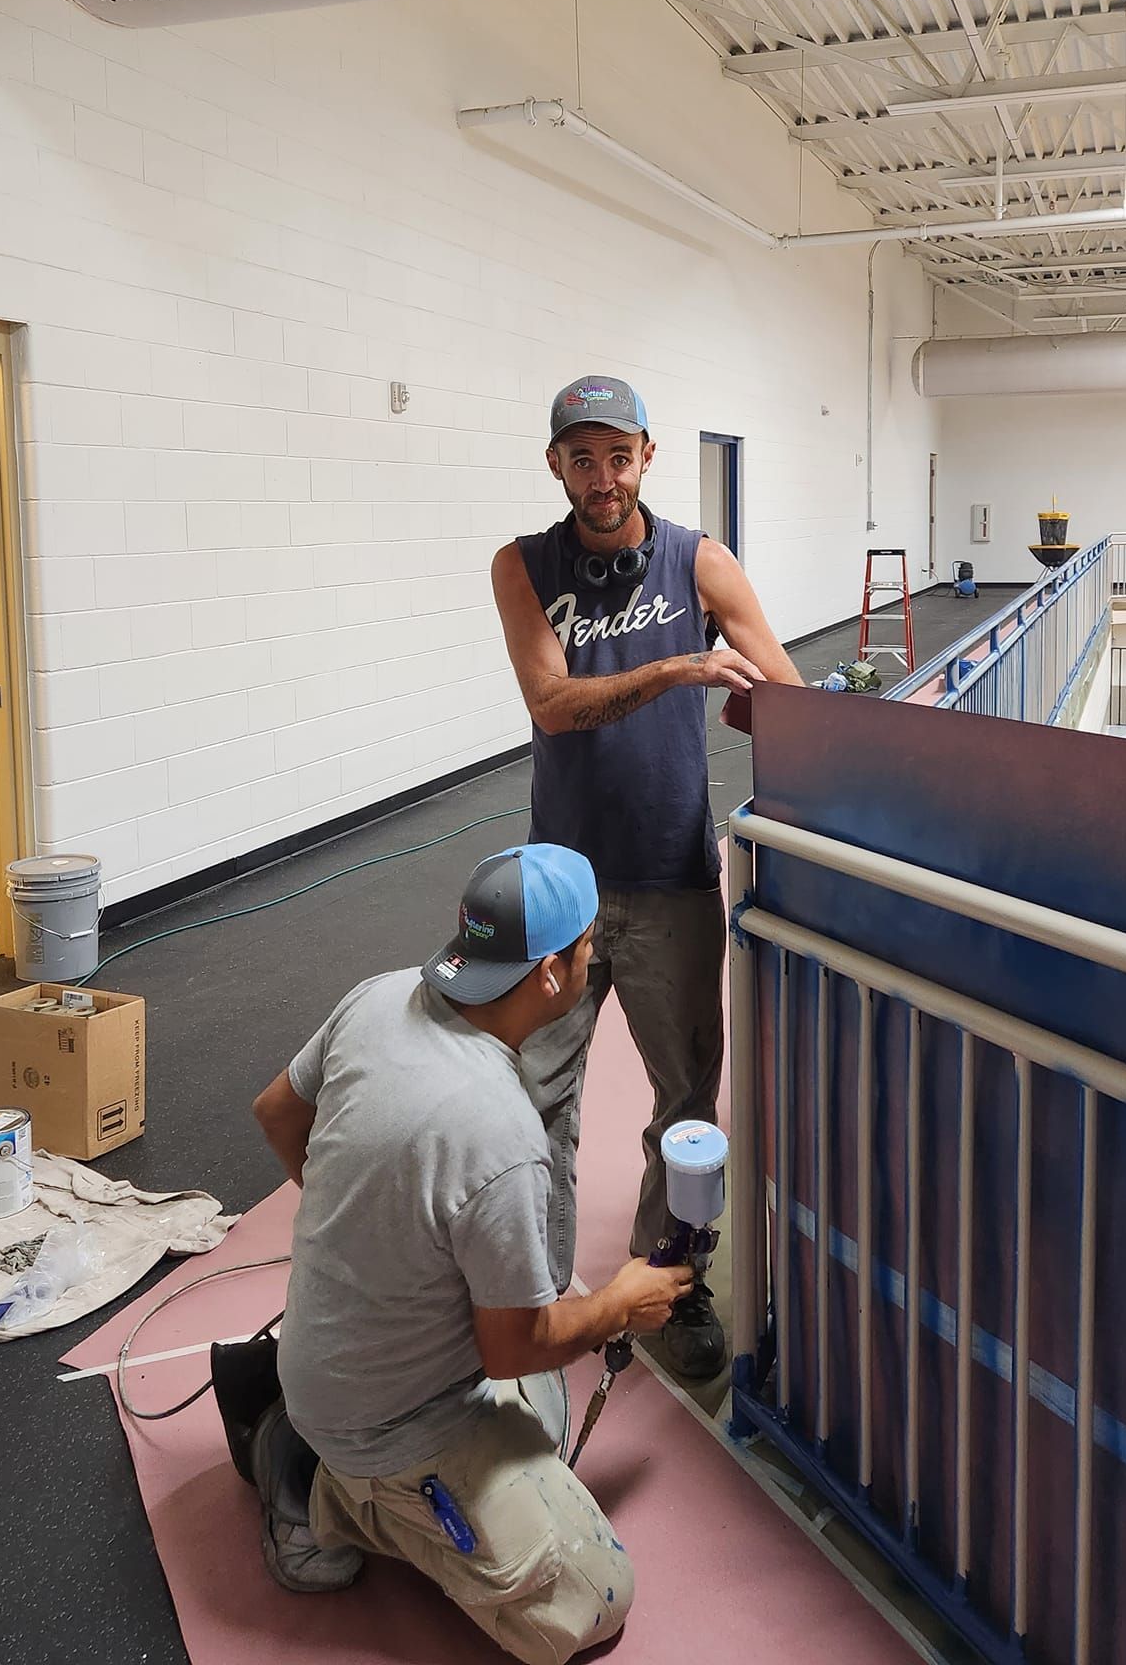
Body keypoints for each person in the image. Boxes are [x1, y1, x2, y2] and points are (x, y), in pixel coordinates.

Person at [238, 844, 692, 1665]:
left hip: (337, 1361)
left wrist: (368, 1225)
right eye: (590, 946)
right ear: (551, 974)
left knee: (542, 1409)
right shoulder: (501, 1131)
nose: (597, 959)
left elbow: (276, 1112)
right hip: (389, 1425)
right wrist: (621, 1304)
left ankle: (314, 1431)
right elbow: (509, 1346)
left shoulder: (378, 998)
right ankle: (324, 1491)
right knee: (596, 1598)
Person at [490, 376, 803, 1379]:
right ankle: (526, 1291)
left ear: (647, 457)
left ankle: (670, 1279)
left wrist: (783, 711)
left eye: (617, 455)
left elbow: (789, 692)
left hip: (671, 876)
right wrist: (676, 668)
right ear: (556, 467)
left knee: (686, 1103)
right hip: (559, 891)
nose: (602, 476)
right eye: (581, 457)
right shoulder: (523, 566)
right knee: (532, 1097)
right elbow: (551, 703)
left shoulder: (701, 561)